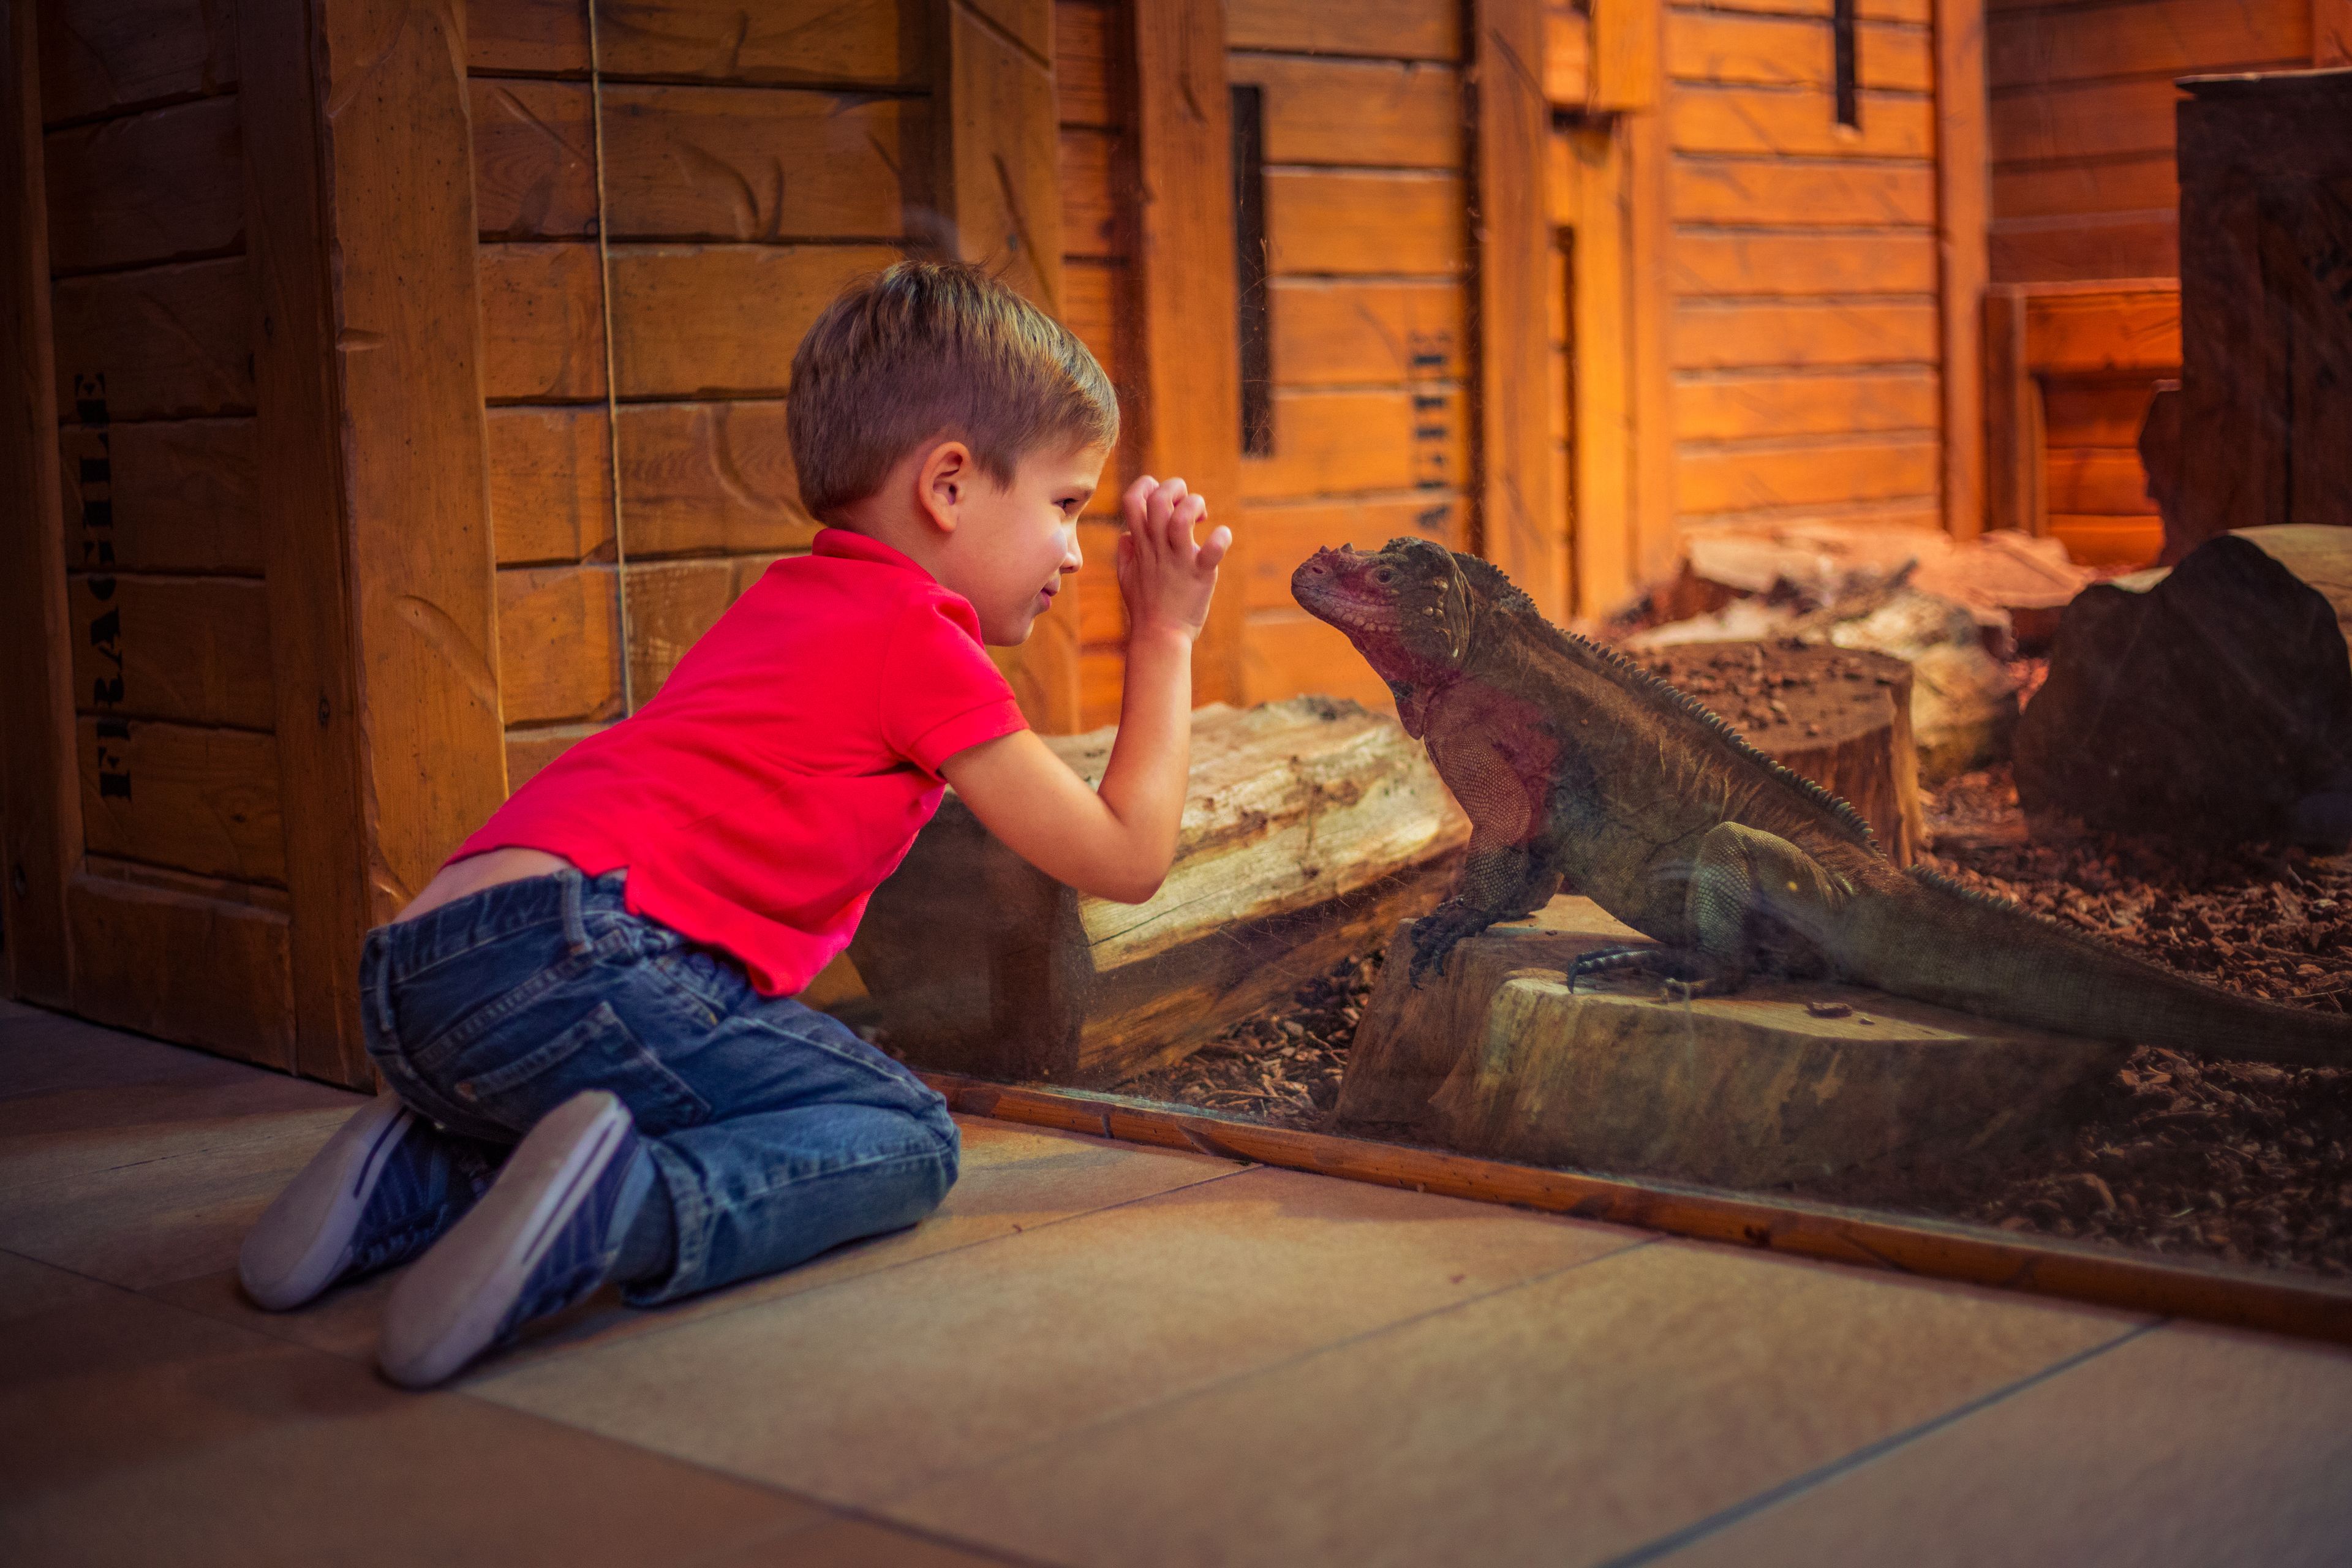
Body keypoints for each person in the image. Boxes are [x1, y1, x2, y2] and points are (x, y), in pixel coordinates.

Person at [236, 260, 1228, 1387]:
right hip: (578, 956)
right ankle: (610, 1214)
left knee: (680, 1080)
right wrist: (1165, 636)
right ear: (949, 485)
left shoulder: (787, 603)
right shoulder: (918, 641)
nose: (1074, 552)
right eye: (1064, 505)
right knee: (900, 1132)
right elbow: (1127, 857)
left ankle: (419, 1169)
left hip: (422, 972)